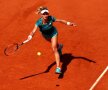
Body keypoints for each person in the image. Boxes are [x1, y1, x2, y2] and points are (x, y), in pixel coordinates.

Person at [27, 6, 76, 74]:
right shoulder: (38, 22)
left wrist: (68, 23)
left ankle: (58, 68)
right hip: (46, 36)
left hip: (53, 33)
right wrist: (30, 35)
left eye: (46, 13)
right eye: (44, 14)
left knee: (54, 48)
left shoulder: (51, 18)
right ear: (41, 15)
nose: (45, 15)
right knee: (56, 46)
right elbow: (33, 31)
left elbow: (60, 20)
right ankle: (60, 47)